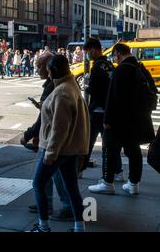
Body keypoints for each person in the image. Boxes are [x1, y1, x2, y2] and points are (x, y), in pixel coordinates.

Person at [29, 55, 90, 232]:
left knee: (38, 184)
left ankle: (43, 226)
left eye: (47, 69)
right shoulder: (71, 86)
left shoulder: (62, 92)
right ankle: (79, 227)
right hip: (71, 149)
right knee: (71, 188)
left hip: (58, 149)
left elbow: (59, 127)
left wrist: (50, 153)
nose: (46, 73)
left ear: (53, 71)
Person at [89, 43, 155, 195]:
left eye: (114, 56)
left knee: (110, 149)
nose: (114, 59)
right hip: (138, 119)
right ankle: (133, 184)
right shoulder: (140, 68)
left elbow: (113, 98)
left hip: (119, 120)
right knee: (134, 150)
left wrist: (107, 120)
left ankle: (107, 182)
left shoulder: (122, 70)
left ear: (118, 54)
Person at [21, 52, 73, 221]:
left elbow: (56, 123)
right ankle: (53, 204)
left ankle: (53, 213)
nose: (38, 70)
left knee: (43, 180)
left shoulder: (57, 88)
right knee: (58, 177)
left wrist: (30, 134)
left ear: (50, 67)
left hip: (51, 141)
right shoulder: (58, 85)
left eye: (40, 66)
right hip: (51, 139)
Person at [80, 39, 123, 180]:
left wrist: (87, 87)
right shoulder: (110, 65)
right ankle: (118, 172)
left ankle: (79, 168)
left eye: (87, 51)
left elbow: (94, 89)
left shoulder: (97, 66)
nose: (87, 54)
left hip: (97, 109)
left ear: (94, 49)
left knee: (87, 142)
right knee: (110, 144)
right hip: (110, 110)